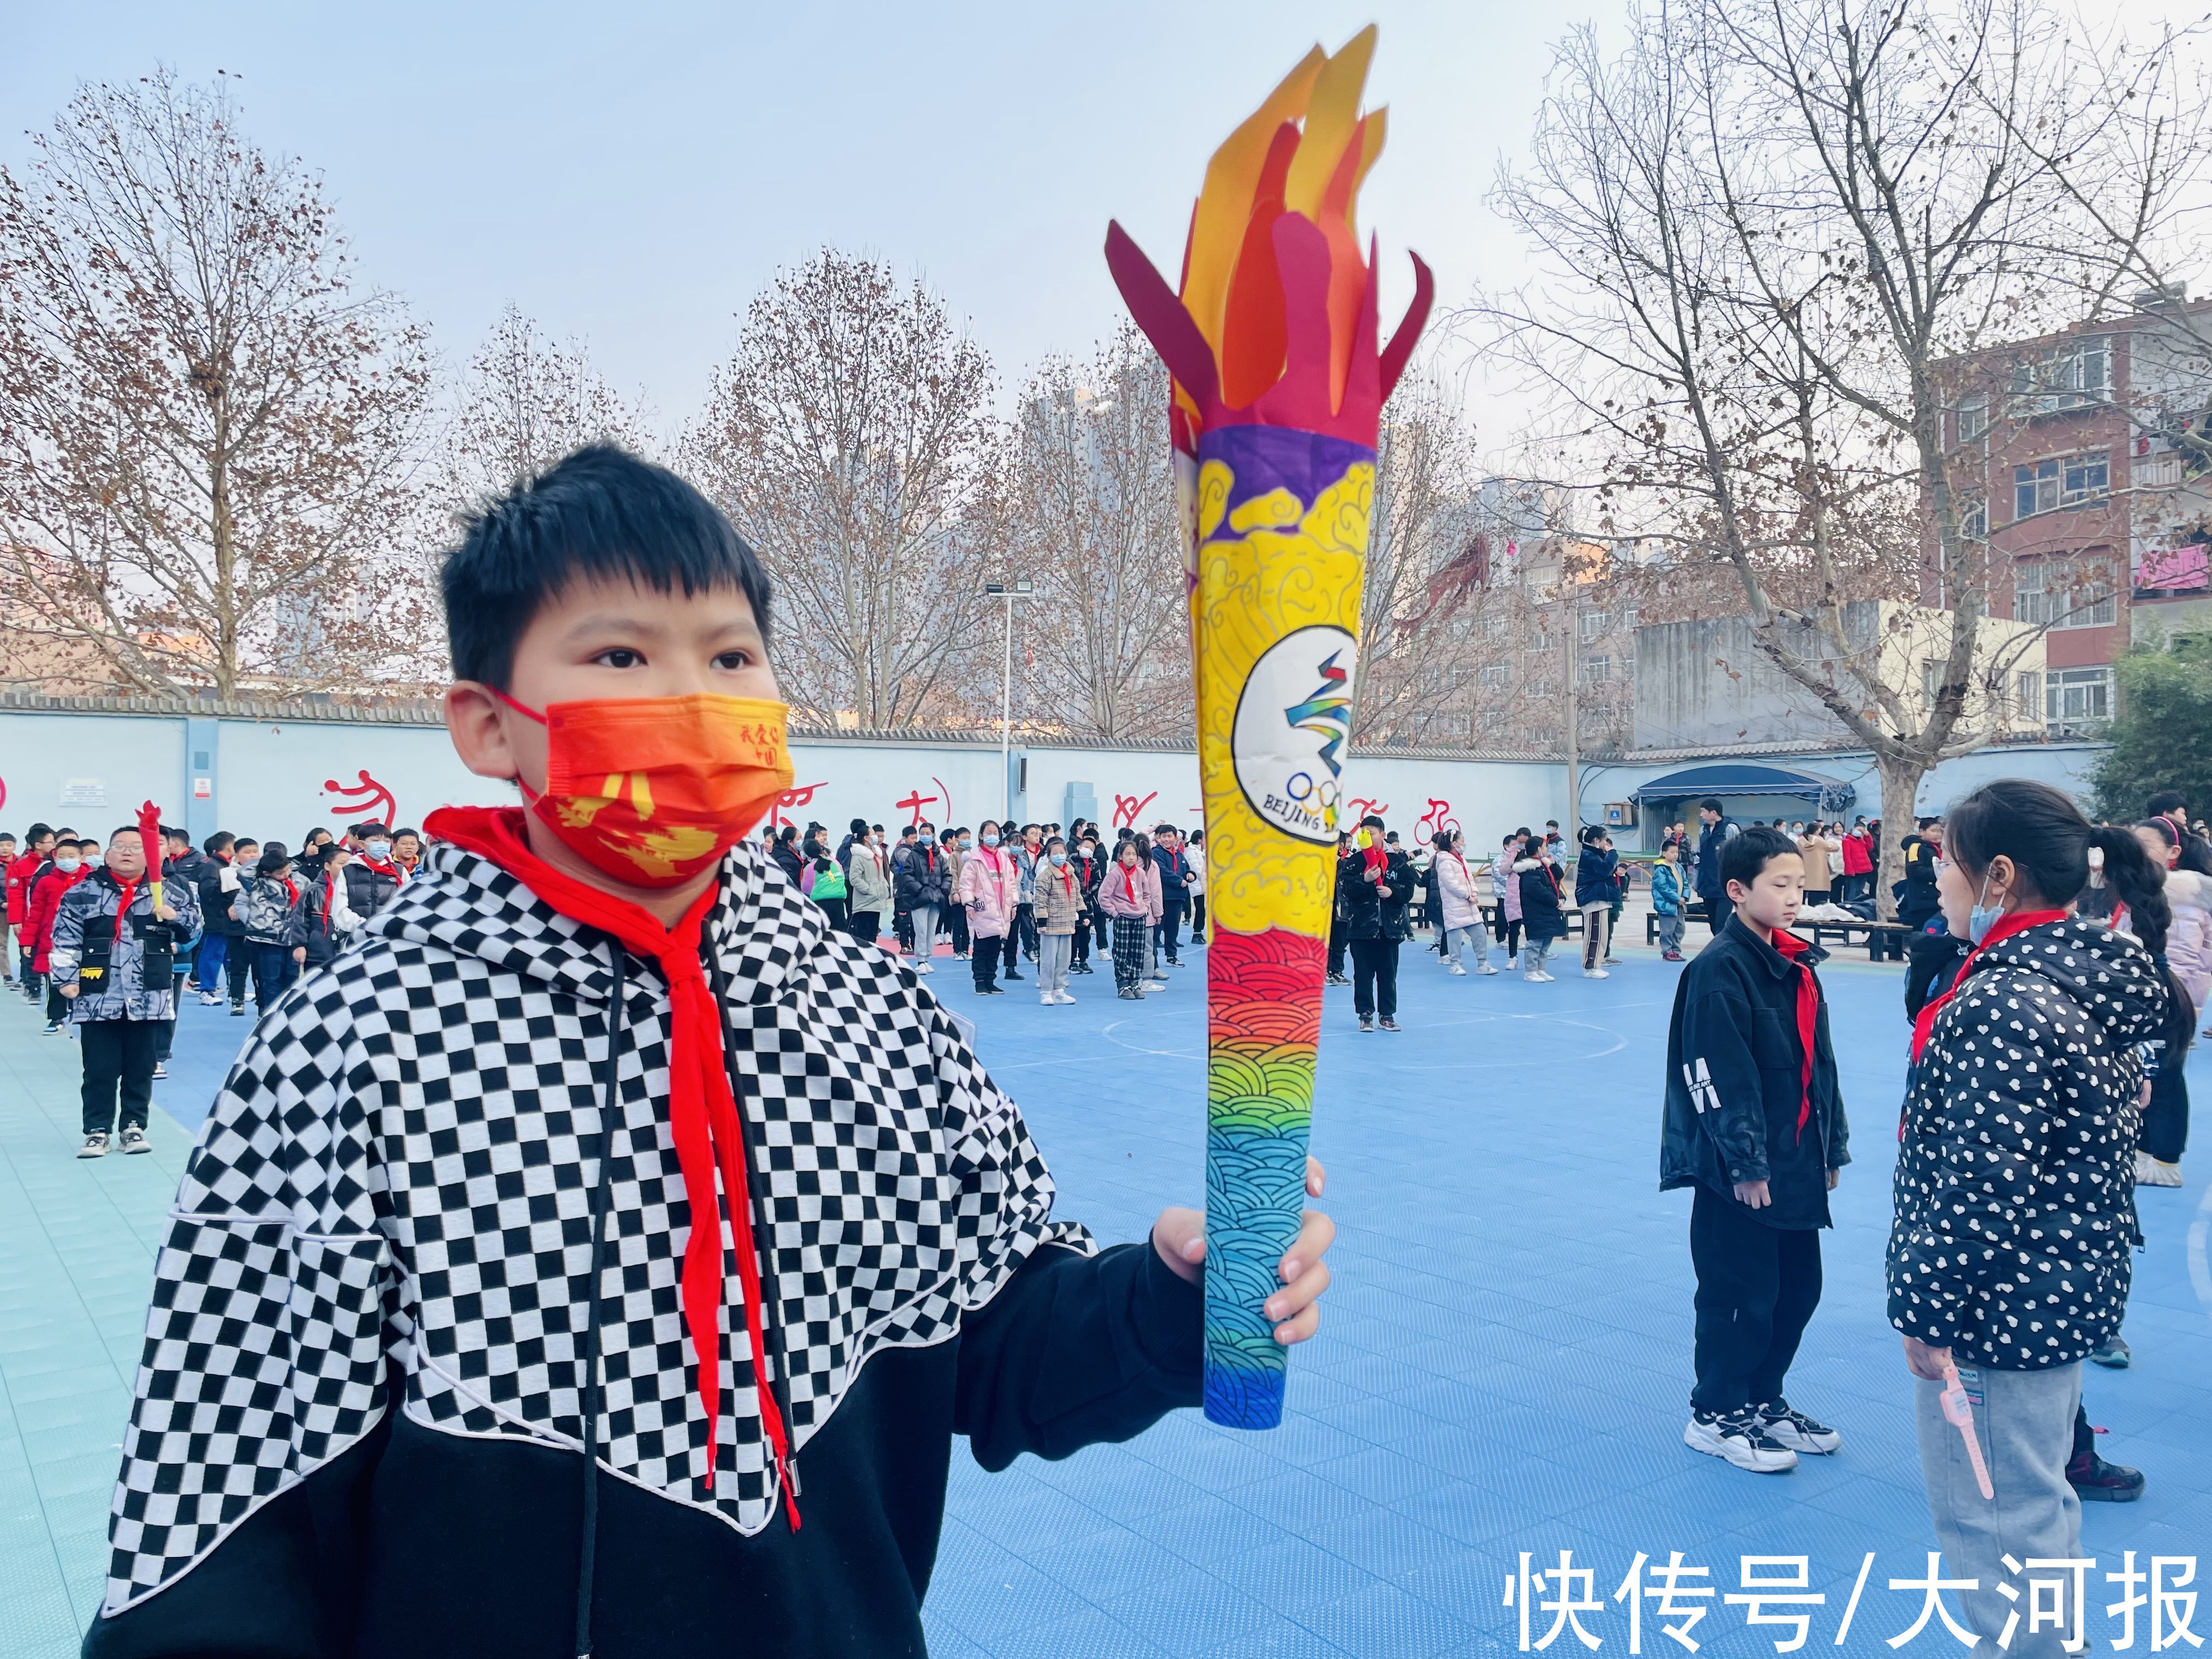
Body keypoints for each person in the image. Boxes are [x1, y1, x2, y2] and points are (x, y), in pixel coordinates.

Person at [83, 443, 1338, 1659]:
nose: (691, 702)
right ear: (486, 724)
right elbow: (223, 1534)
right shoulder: (350, 1055)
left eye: (730, 656)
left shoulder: (874, 1017)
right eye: (621, 655)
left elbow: (1005, 1337)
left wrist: (1180, 1300)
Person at [1889, 782, 2165, 1653]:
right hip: (2060, 1289)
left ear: (1999, 876)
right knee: (2037, 1511)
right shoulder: (2083, 976)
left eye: (1948, 859)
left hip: (1999, 1312)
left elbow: (1978, 1188)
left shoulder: (2005, 1002)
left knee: (1996, 1527)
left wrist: (1927, 1314)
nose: (1937, 875)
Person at [1662, 825, 1849, 1474]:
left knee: (1799, 1290)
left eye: (1800, 884)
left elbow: (1819, 1066)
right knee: (1741, 1294)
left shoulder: (1796, 964)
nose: (1795, 895)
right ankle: (1715, 1411)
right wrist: (1744, 1162)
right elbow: (1714, 1074)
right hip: (1740, 1169)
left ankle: (1763, 1399)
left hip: (1794, 1159)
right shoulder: (1719, 971)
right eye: (1781, 884)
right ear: (1738, 891)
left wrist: (1832, 1147)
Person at [52, 824, 199, 1159]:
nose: (128, 852)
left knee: (141, 1067)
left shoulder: (171, 892)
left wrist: (175, 918)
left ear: (152, 854)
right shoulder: (82, 893)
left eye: (136, 846)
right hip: (97, 995)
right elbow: (64, 940)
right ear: (107, 854)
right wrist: (66, 979)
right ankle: (97, 1130)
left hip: (150, 996)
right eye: (120, 846)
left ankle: (133, 1126)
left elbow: (195, 928)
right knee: (99, 1069)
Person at [2129, 816, 2207, 1187]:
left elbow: (2191, 957)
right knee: (2149, 1075)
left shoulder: (2186, 891)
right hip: (2146, 993)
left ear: (2174, 852)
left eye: (2145, 846)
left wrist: (2182, 994)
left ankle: (2165, 1160)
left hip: (2170, 996)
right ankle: (2146, 1154)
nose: (2136, 853)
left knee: (2166, 1077)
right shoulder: (2139, 889)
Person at [1338, 816, 1413, 1032]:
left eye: (1371, 833)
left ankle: (1387, 1015)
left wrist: (1393, 892)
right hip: (1361, 928)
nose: (1367, 837)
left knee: (1388, 974)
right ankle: (1365, 1015)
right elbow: (1346, 888)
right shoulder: (1355, 862)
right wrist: (1365, 880)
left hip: (1389, 929)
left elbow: (1408, 890)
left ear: (1382, 834)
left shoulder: (1397, 862)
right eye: (1363, 834)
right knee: (1362, 974)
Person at [27, 839, 92, 1033]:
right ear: (54, 857)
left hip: (83, 937)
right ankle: (56, 1018)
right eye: (61, 857)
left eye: (71, 857)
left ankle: (78, 1012)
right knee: (54, 979)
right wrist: (29, 940)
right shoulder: (46, 882)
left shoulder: (91, 880)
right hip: (52, 939)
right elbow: (36, 912)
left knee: (83, 977)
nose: (66, 861)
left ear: (81, 857)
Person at [234, 845, 307, 1014]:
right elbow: (244, 871)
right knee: (271, 980)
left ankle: (289, 1014)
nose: (285, 875)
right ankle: (270, 1015)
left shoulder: (298, 881)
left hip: (292, 937)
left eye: (287, 870)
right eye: (280, 873)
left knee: (292, 979)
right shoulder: (257, 883)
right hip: (267, 939)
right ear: (267, 873)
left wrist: (288, 864)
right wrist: (266, 863)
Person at [956, 820, 1021, 994]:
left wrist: (1014, 904)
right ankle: (980, 982)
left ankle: (991, 980)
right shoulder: (974, 859)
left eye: (995, 833)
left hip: (1002, 909)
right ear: (981, 835)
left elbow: (1012, 884)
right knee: (981, 947)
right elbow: (966, 884)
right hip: (982, 908)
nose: (992, 836)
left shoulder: (1004, 859)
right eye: (988, 833)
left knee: (995, 948)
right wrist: (969, 905)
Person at [1098, 837, 1159, 1000]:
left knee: (1137, 951)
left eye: (1134, 854)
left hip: (1139, 916)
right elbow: (1103, 896)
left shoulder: (1140, 873)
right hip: (1123, 917)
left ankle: (1135, 983)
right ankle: (1123, 984)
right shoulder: (1115, 874)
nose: (1132, 857)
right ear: (1120, 856)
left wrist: (1145, 908)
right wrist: (1115, 913)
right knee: (1122, 951)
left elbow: (1147, 894)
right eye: (1128, 854)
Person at [1432, 829, 1495, 975]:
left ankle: (1482, 964)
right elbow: (1451, 884)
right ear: (1454, 843)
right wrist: (1467, 895)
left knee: (1480, 931)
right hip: (1454, 904)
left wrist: (1474, 893)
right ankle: (1455, 964)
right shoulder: (1445, 862)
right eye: (1462, 840)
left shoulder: (1461, 859)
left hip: (1468, 903)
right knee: (1454, 934)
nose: (1464, 843)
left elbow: (1470, 879)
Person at [893, 822, 949, 973]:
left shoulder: (939, 856)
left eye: (928, 833)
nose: (925, 836)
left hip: (936, 900)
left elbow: (947, 875)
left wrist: (942, 891)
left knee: (932, 930)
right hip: (919, 900)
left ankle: (928, 958)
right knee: (921, 930)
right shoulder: (914, 855)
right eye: (922, 833)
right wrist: (920, 891)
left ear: (933, 835)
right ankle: (920, 960)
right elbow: (908, 875)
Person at [1034, 837, 1082, 1005]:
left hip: (1067, 923)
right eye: (1055, 853)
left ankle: (1059, 990)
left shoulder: (1071, 874)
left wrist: (1082, 913)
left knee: (1064, 959)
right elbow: (1040, 900)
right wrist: (1042, 921)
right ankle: (1046, 991)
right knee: (1049, 959)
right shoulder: (1045, 875)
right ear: (1049, 857)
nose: (1059, 856)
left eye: (1062, 853)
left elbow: (1077, 895)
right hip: (1051, 925)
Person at [10, 822, 56, 1001]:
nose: (54, 846)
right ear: (39, 845)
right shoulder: (22, 866)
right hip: (28, 918)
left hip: (48, 918)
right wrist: (16, 921)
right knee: (29, 954)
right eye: (51, 842)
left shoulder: (54, 864)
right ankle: (32, 986)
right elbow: (16, 896)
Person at [1575, 826, 1625, 978]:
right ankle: (1590, 967)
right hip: (1592, 897)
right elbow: (1605, 870)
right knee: (1594, 934)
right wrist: (1612, 853)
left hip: (1601, 897)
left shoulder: (1595, 853)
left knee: (1602, 934)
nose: (1606, 843)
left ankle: (1597, 963)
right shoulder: (1588, 854)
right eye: (1604, 840)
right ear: (1597, 840)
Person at [1516, 835, 1568, 982]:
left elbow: (1557, 878)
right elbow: (1538, 890)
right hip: (1536, 910)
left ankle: (1541, 969)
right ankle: (1530, 971)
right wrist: (1554, 901)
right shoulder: (1530, 870)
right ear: (1539, 849)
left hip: (1547, 910)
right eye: (1545, 846)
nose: (1547, 849)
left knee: (1545, 943)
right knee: (1535, 943)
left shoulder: (1544, 865)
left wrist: (1552, 863)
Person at [1694, 798, 1739, 934]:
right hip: (1707, 883)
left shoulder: (1730, 829)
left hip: (1724, 884)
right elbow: (1699, 857)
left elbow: (1739, 855)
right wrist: (1697, 882)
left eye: (1703, 812)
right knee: (1713, 923)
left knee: (1722, 922)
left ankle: (1725, 952)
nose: (1701, 815)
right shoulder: (1703, 830)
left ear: (1713, 812)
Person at [845, 823, 892, 949]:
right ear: (866, 838)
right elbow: (855, 879)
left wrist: (884, 888)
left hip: (876, 902)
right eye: (873, 835)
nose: (876, 837)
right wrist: (870, 890)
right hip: (864, 903)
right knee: (863, 936)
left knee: (872, 935)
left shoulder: (877, 854)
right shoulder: (859, 856)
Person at [345, 824, 407, 920]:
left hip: (390, 930)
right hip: (357, 930)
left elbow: (408, 901)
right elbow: (340, 907)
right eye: (375, 841)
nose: (382, 845)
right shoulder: (347, 870)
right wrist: (361, 925)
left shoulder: (399, 870)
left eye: (386, 841)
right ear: (362, 844)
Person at [1151, 825, 1191, 969]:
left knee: (1173, 929)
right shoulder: (1156, 853)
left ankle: (1171, 957)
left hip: (1177, 897)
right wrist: (1179, 881)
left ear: (1176, 838)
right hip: (1161, 897)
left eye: (1170, 836)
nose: (1167, 839)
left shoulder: (1179, 854)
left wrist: (1190, 875)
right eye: (1164, 836)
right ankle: (1152, 961)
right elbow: (1162, 871)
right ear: (1158, 838)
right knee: (1156, 930)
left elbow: (1186, 869)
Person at [1895, 817, 1943, 928]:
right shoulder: (1916, 847)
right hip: (1922, 901)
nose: (1937, 835)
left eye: (1940, 831)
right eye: (1933, 831)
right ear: (1922, 832)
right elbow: (1914, 871)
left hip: (1936, 900)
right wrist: (1939, 871)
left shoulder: (1937, 849)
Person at [1069, 830, 1105, 975]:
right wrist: (1077, 894)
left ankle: (1083, 960)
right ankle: (1071, 961)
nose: (1088, 850)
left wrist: (1089, 894)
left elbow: (1098, 881)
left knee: (1086, 934)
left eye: (1092, 849)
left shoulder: (1094, 863)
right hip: (1072, 903)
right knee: (1073, 933)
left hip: (1088, 903)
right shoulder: (1070, 861)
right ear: (1079, 847)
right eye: (1086, 847)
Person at [800, 836, 849, 933]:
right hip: (839, 900)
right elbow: (842, 876)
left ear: (807, 854)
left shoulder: (810, 868)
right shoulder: (834, 862)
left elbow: (805, 889)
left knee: (825, 931)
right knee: (840, 930)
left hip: (821, 902)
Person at [1651, 838, 1689, 962]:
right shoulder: (1661, 868)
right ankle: (1667, 952)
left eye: (1677, 852)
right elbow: (1662, 887)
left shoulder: (1679, 867)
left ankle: (1676, 951)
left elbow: (1685, 883)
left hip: (1679, 905)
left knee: (1680, 929)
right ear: (1664, 853)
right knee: (1667, 930)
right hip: (1667, 905)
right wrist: (1677, 898)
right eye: (1672, 852)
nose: (1675, 855)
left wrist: (1684, 897)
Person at [1493, 831, 1525, 968]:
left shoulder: (1526, 856)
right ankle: (1501, 940)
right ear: (1506, 846)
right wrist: (1513, 883)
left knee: (1518, 923)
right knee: (1503, 919)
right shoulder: (1501, 859)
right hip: (1504, 894)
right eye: (1514, 844)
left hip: (1520, 895)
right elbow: (1500, 874)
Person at [1327, 831, 1352, 985]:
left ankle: (1337, 971)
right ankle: (1326, 971)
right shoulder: (1321, 865)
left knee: (1340, 943)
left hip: (1342, 911)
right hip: (1326, 912)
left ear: (1341, 847)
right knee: (1327, 943)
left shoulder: (1345, 865)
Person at [943, 828, 971, 958]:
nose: (967, 840)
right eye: (964, 838)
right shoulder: (954, 855)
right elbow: (952, 874)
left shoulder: (973, 854)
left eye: (968, 837)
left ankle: (966, 950)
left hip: (971, 896)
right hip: (959, 896)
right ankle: (957, 951)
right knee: (959, 924)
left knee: (968, 925)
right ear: (958, 839)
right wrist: (955, 892)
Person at [1839, 820, 1874, 905]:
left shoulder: (1862, 840)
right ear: (1854, 829)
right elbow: (1847, 857)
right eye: (1858, 830)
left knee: (1859, 891)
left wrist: (1868, 836)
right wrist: (1850, 871)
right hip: (1855, 871)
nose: (1859, 832)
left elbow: (1870, 848)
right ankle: (1851, 906)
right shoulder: (1847, 841)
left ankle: (1857, 906)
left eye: (1861, 831)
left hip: (1864, 870)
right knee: (1853, 891)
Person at [1186, 828, 1207, 940]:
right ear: (1200, 840)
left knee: (1202, 910)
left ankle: (1199, 933)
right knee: (1200, 910)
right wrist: (1206, 876)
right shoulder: (1191, 851)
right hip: (1197, 885)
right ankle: (1197, 934)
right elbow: (1196, 868)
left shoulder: (1201, 851)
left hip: (1203, 884)